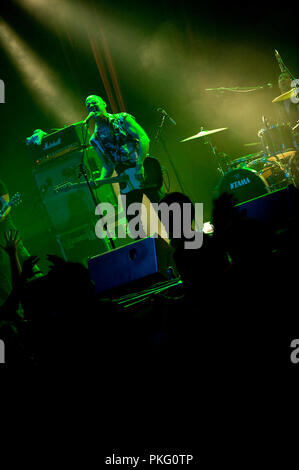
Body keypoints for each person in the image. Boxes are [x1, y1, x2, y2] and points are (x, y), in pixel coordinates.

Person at [85, 95, 164, 235]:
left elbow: (144, 138)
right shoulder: (94, 139)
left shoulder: (122, 119)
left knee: (165, 211)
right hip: (125, 180)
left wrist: (140, 165)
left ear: (104, 103)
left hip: (142, 171)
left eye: (94, 102)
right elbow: (108, 166)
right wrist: (100, 180)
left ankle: (184, 242)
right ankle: (146, 251)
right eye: (88, 105)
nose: (91, 106)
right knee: (134, 223)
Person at [0, 179, 38, 306]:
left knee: (23, 257)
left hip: (6, 230)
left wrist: (2, 215)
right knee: (4, 271)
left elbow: (7, 206)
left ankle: (42, 283)